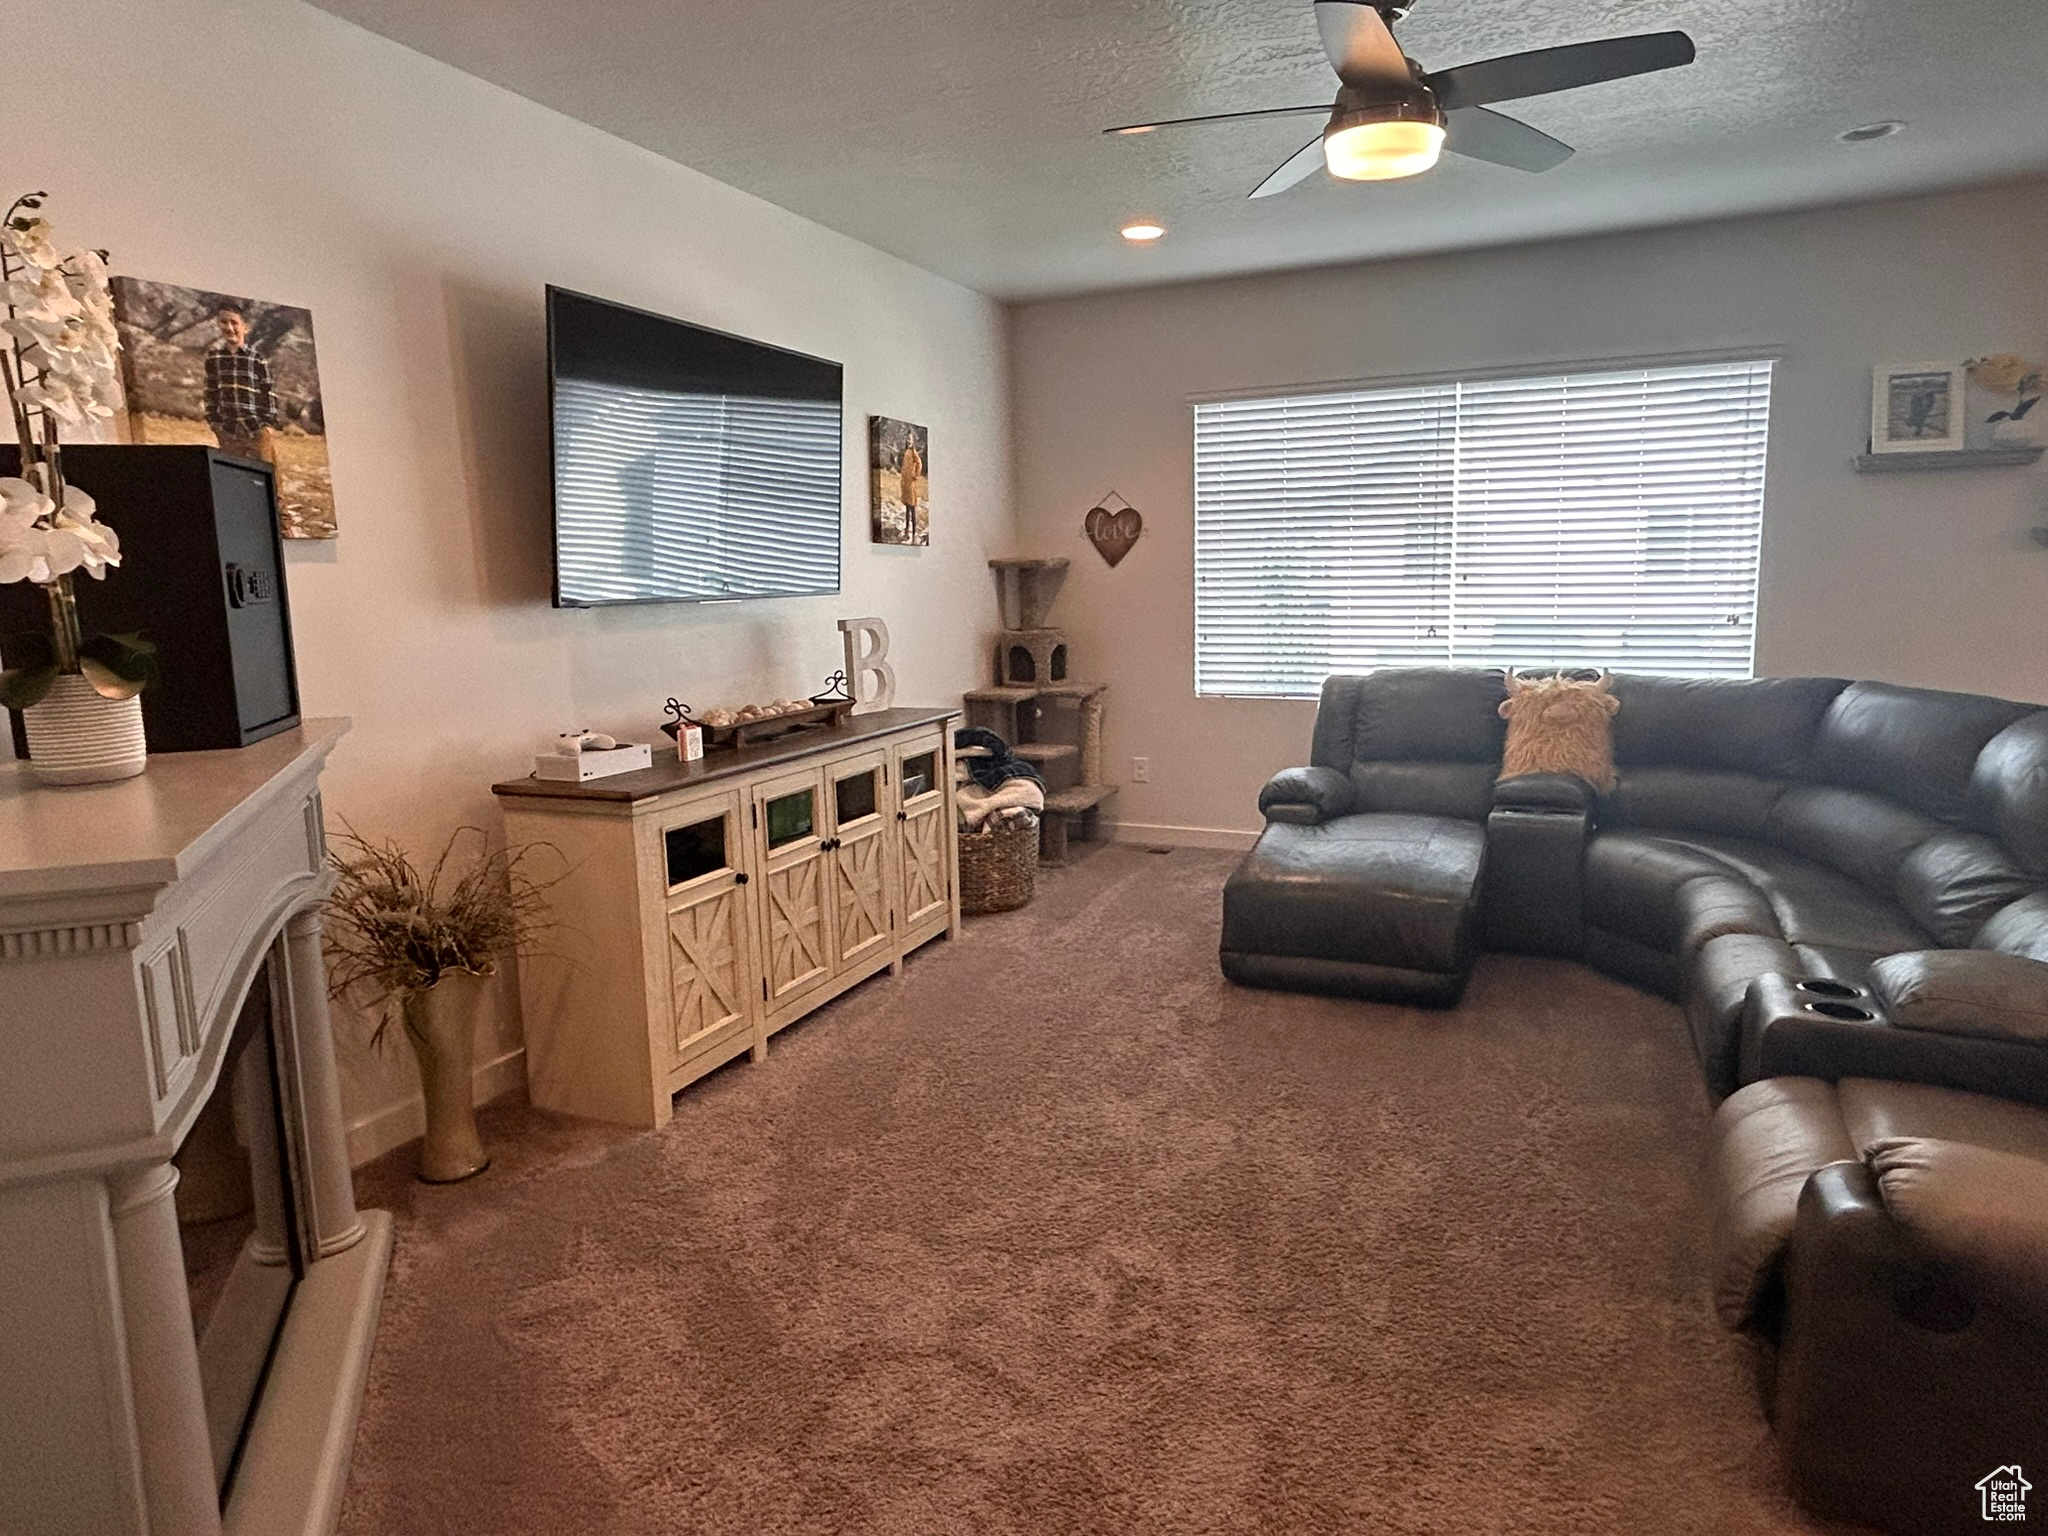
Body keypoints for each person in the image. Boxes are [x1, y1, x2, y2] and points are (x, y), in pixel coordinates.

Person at [203, 302, 280, 463]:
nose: (229, 328)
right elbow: (210, 393)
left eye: (234, 322)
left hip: (255, 430)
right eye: (224, 322)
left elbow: (268, 393)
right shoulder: (214, 358)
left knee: (265, 478)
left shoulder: (257, 359)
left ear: (245, 327)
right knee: (233, 478)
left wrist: (266, 426)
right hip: (228, 432)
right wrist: (215, 424)